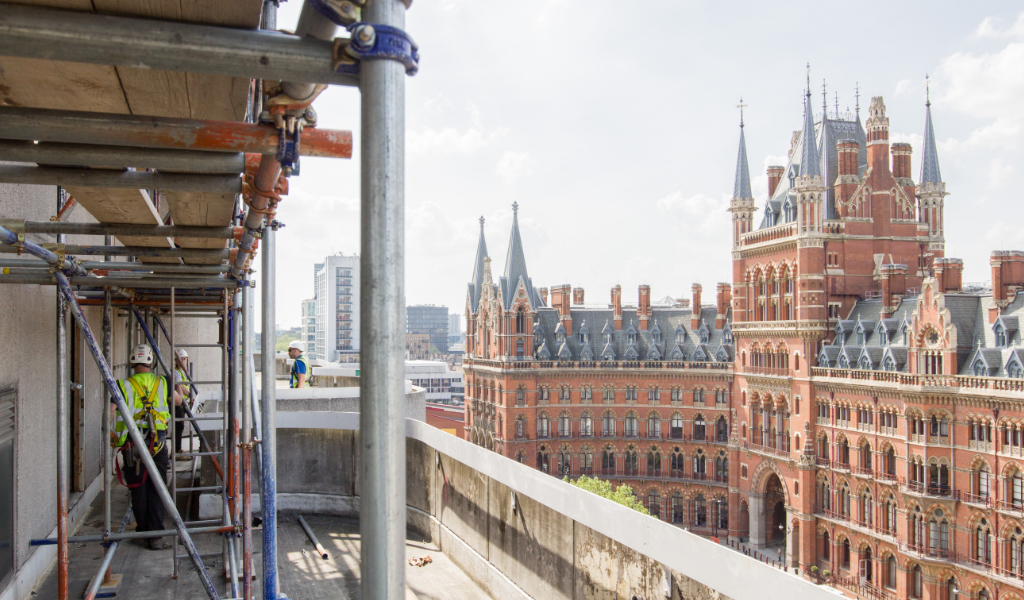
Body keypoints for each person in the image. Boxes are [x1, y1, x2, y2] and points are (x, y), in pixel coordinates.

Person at [110, 343, 183, 550]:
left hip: (133, 444)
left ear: (132, 362)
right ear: (151, 362)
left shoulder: (122, 385)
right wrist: (175, 382)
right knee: (157, 485)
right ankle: (157, 535)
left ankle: (143, 533)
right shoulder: (162, 382)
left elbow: (111, 411)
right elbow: (178, 402)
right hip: (157, 442)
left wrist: (112, 435)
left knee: (137, 487)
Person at [173, 348, 193, 460]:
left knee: (180, 425)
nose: (183, 361)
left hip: (183, 402)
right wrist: (191, 395)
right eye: (181, 359)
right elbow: (181, 386)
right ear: (176, 360)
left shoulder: (185, 371)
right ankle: (177, 450)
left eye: (185, 358)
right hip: (177, 403)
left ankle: (177, 449)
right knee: (179, 425)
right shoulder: (176, 372)